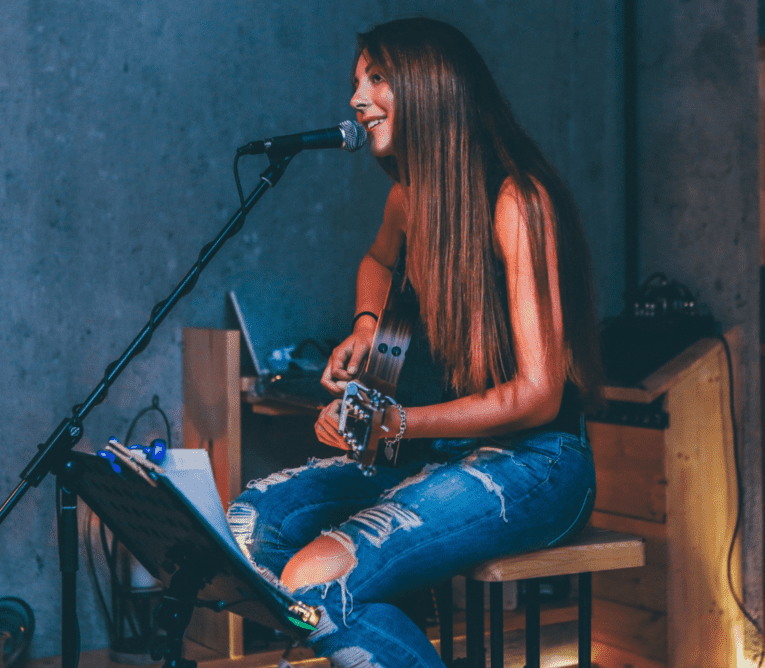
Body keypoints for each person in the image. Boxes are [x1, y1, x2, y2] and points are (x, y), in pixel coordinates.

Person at [227, 17, 603, 668]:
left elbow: (540, 395)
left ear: (432, 88)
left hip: (539, 462)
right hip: (434, 452)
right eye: (356, 82)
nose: (355, 98)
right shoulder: (412, 198)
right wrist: (368, 328)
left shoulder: (517, 200)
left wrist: (397, 422)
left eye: (377, 78)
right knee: (247, 529)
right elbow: (376, 264)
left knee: (316, 582)